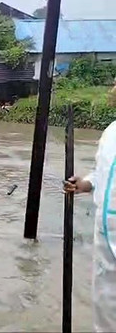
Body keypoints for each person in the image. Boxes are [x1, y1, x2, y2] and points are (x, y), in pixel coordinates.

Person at [64, 117, 116, 332]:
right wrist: (85, 184)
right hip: (104, 231)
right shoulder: (111, 131)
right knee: (105, 302)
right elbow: (101, 172)